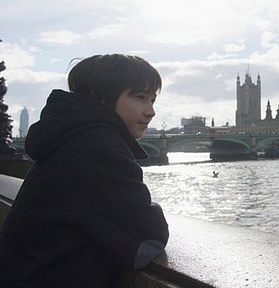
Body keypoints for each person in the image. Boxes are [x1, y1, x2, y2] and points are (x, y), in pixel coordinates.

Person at [0, 54, 169, 287]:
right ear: (100, 98)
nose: (151, 111)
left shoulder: (69, 138)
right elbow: (146, 240)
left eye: (152, 100)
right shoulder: (99, 147)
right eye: (140, 98)